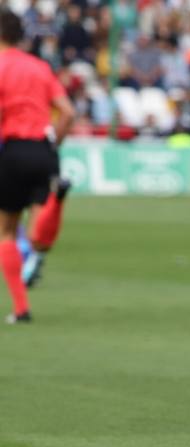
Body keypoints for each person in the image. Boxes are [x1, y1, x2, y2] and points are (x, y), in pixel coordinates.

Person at [0, 8, 74, 323]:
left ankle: (21, 309)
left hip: (12, 149)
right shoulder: (40, 67)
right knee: (39, 239)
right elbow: (68, 113)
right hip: (44, 150)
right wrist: (51, 145)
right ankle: (56, 199)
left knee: (6, 231)